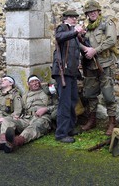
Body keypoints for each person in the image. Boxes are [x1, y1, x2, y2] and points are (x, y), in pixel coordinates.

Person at [80, 0, 119, 136]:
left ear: (98, 11)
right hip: (90, 66)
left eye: (94, 11)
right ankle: (92, 120)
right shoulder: (86, 28)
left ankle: (112, 122)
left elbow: (111, 40)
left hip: (105, 64)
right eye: (89, 12)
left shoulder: (106, 23)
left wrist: (94, 50)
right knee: (90, 94)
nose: (92, 14)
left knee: (108, 96)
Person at [52, 9, 85, 143]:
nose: (74, 19)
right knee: (64, 103)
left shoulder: (73, 33)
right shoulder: (63, 28)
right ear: (65, 18)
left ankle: (69, 128)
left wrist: (82, 35)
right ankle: (61, 133)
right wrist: (75, 31)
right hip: (62, 72)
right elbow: (59, 37)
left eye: (75, 17)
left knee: (72, 100)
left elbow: (81, 48)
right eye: (72, 17)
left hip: (71, 72)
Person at [1, 75, 57, 153]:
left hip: (42, 118)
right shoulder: (25, 95)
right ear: (28, 84)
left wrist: (46, 109)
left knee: (33, 127)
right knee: (8, 120)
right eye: (32, 82)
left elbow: (58, 106)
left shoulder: (48, 92)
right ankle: (4, 141)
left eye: (36, 81)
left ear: (40, 83)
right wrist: (17, 116)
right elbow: (20, 108)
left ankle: (16, 141)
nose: (35, 83)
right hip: (27, 118)